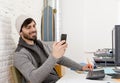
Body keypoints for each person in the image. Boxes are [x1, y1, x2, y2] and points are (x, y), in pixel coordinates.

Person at [14, 15, 93, 83]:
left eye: (34, 26)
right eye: (28, 27)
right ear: (20, 32)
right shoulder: (19, 54)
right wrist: (54, 56)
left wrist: (81, 67)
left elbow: (60, 59)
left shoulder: (40, 44)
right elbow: (34, 79)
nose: (33, 30)